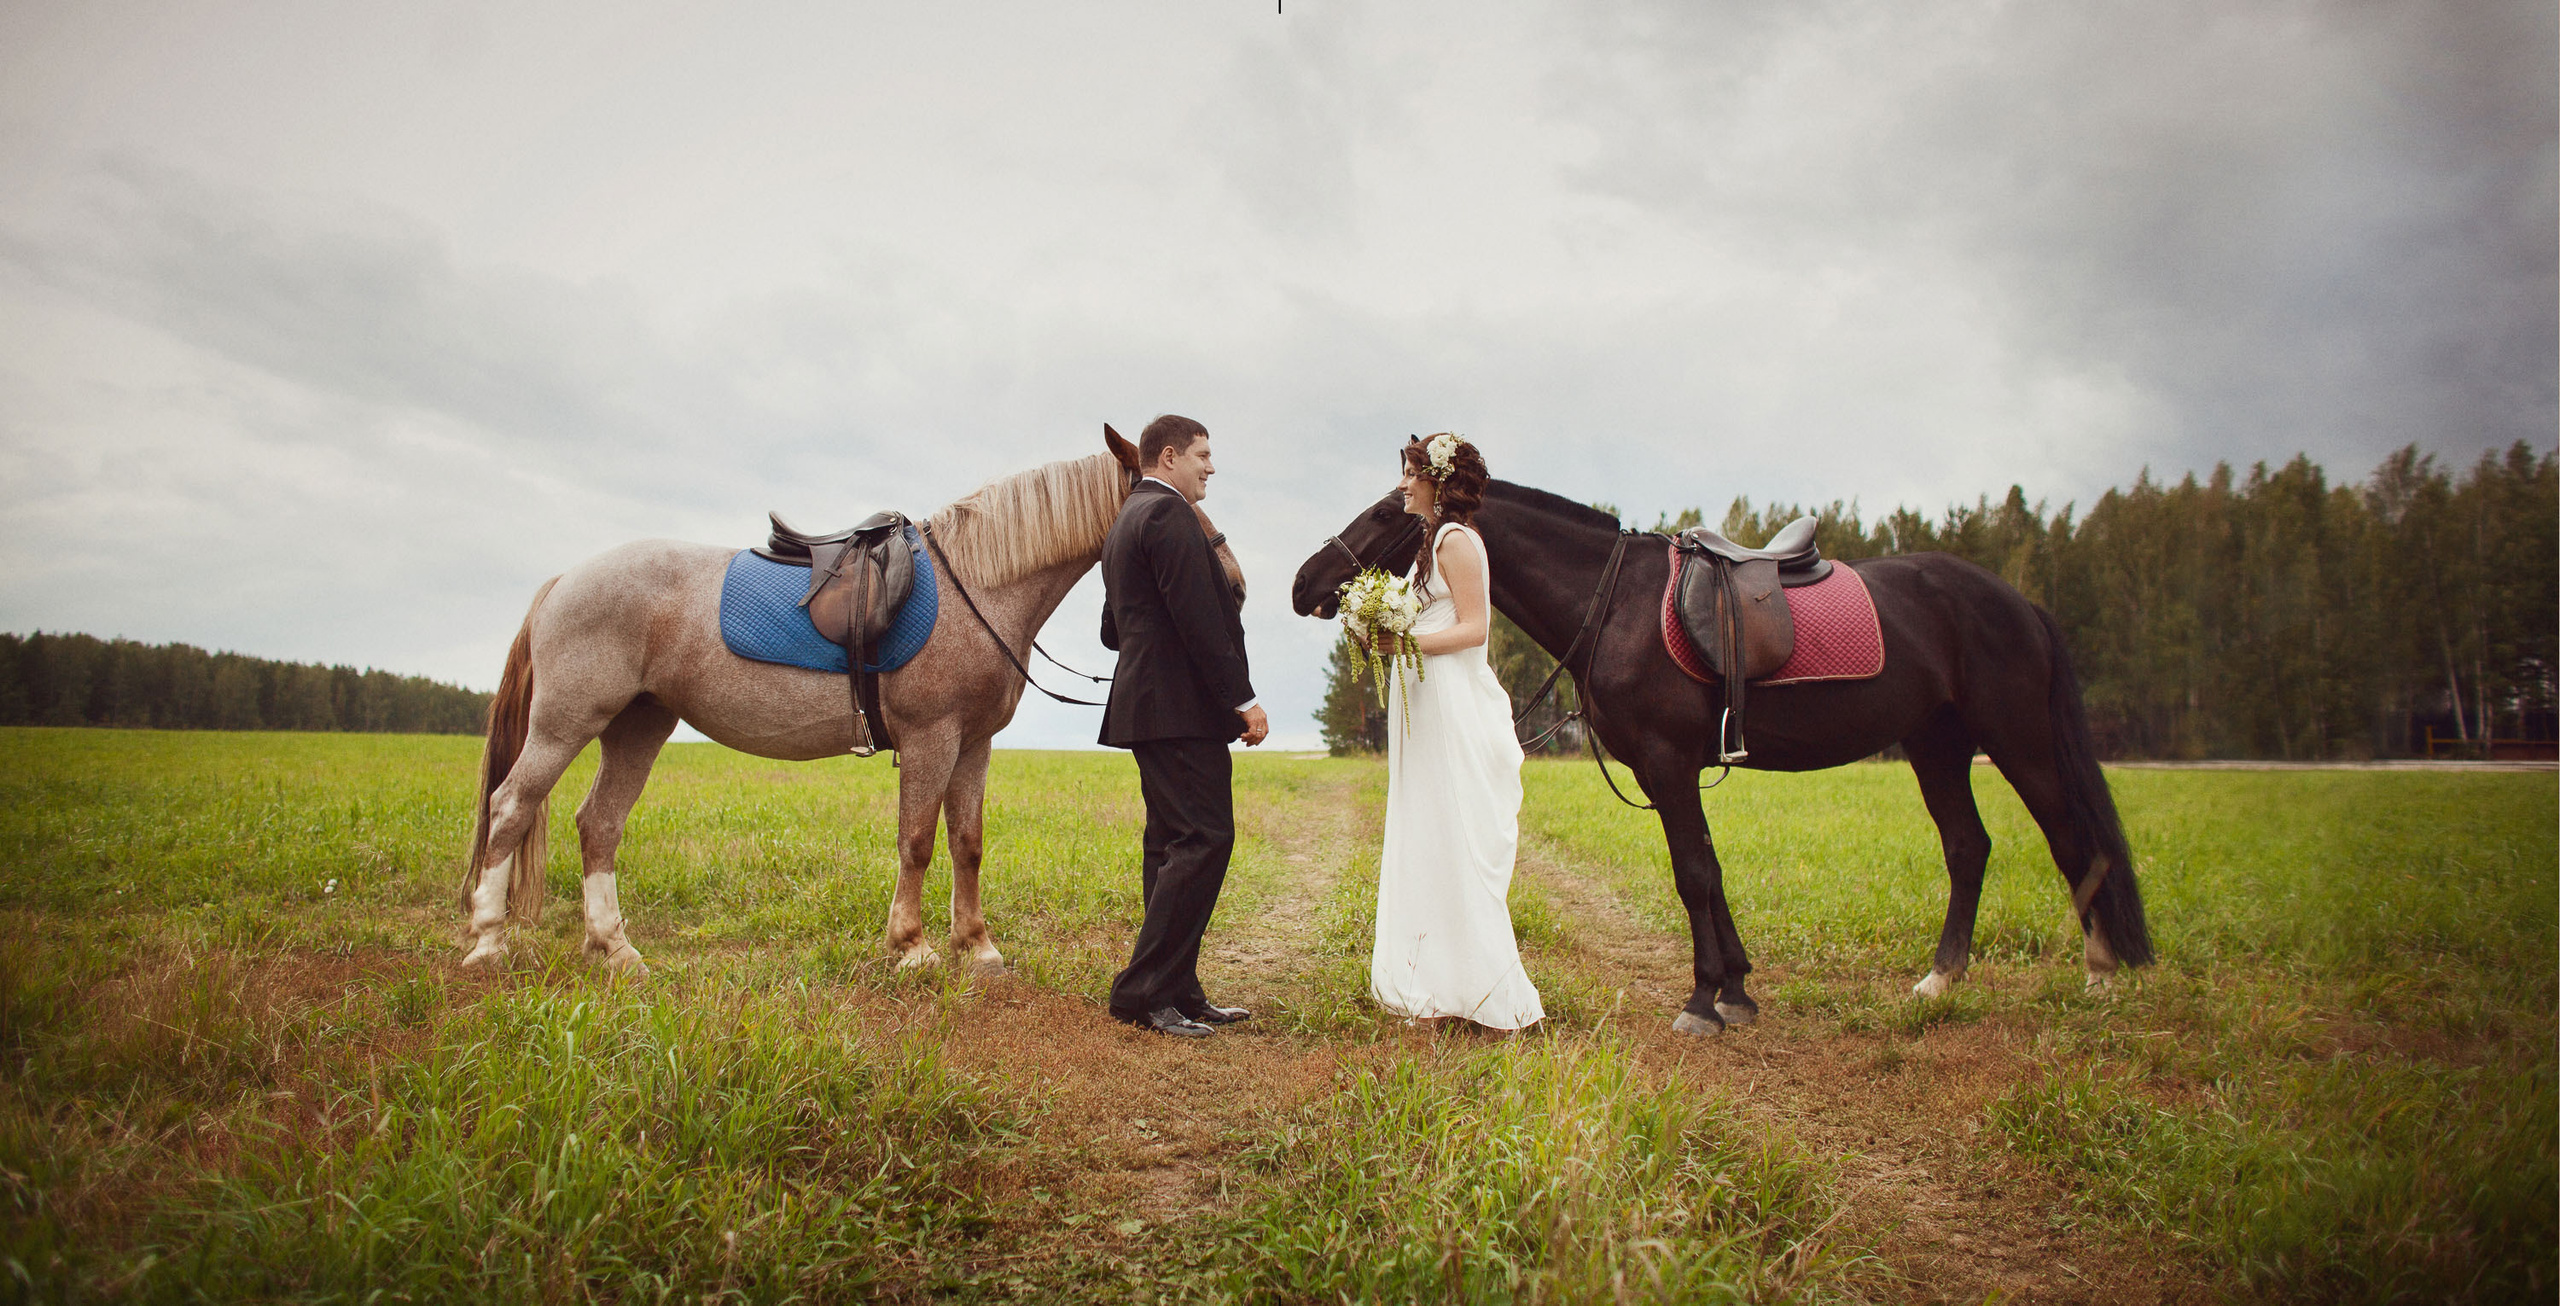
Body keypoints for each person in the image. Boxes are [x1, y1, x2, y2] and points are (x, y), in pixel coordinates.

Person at [1099, 414, 1270, 1038]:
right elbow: (1201, 619)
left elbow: (1111, 630)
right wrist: (1244, 700)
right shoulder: (1170, 515)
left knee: (1170, 845)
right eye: (1202, 455)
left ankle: (1177, 989)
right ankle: (1141, 993)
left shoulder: (1127, 519)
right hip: (1179, 710)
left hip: (1150, 708)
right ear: (1168, 456)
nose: (1211, 467)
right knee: (1204, 839)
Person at [1369, 433, 1544, 1031]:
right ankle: (1433, 981)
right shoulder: (1430, 541)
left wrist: (1403, 641)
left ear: (1438, 481)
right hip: (1425, 703)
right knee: (1427, 832)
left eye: (1411, 473)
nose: (1402, 484)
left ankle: (1479, 987)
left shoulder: (1456, 541)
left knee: (1450, 831)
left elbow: (1474, 629)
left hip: (1449, 705)